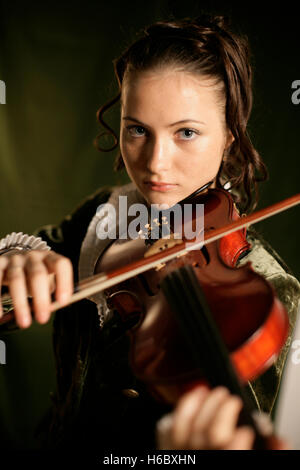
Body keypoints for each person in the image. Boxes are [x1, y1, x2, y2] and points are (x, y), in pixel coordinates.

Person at [0, 14, 299, 451]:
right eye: (137, 129)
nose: (156, 163)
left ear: (230, 137)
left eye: (186, 133)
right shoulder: (103, 214)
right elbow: (33, 257)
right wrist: (13, 257)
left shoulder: (265, 294)